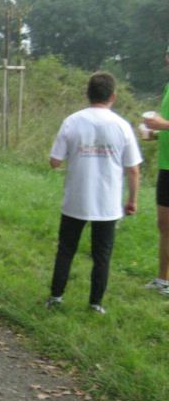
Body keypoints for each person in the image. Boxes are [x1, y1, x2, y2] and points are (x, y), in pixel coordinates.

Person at [46, 72, 142, 314]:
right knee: (102, 255)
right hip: (107, 203)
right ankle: (95, 303)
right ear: (113, 96)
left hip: (76, 199)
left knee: (66, 249)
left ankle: (56, 297)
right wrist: (132, 200)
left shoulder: (72, 121)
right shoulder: (122, 126)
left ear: (87, 94)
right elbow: (133, 169)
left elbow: (55, 161)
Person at [142, 45, 169, 294]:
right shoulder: (168, 87)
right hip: (165, 166)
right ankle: (163, 281)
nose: (167, 59)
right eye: (167, 54)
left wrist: (164, 124)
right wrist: (155, 133)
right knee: (164, 225)